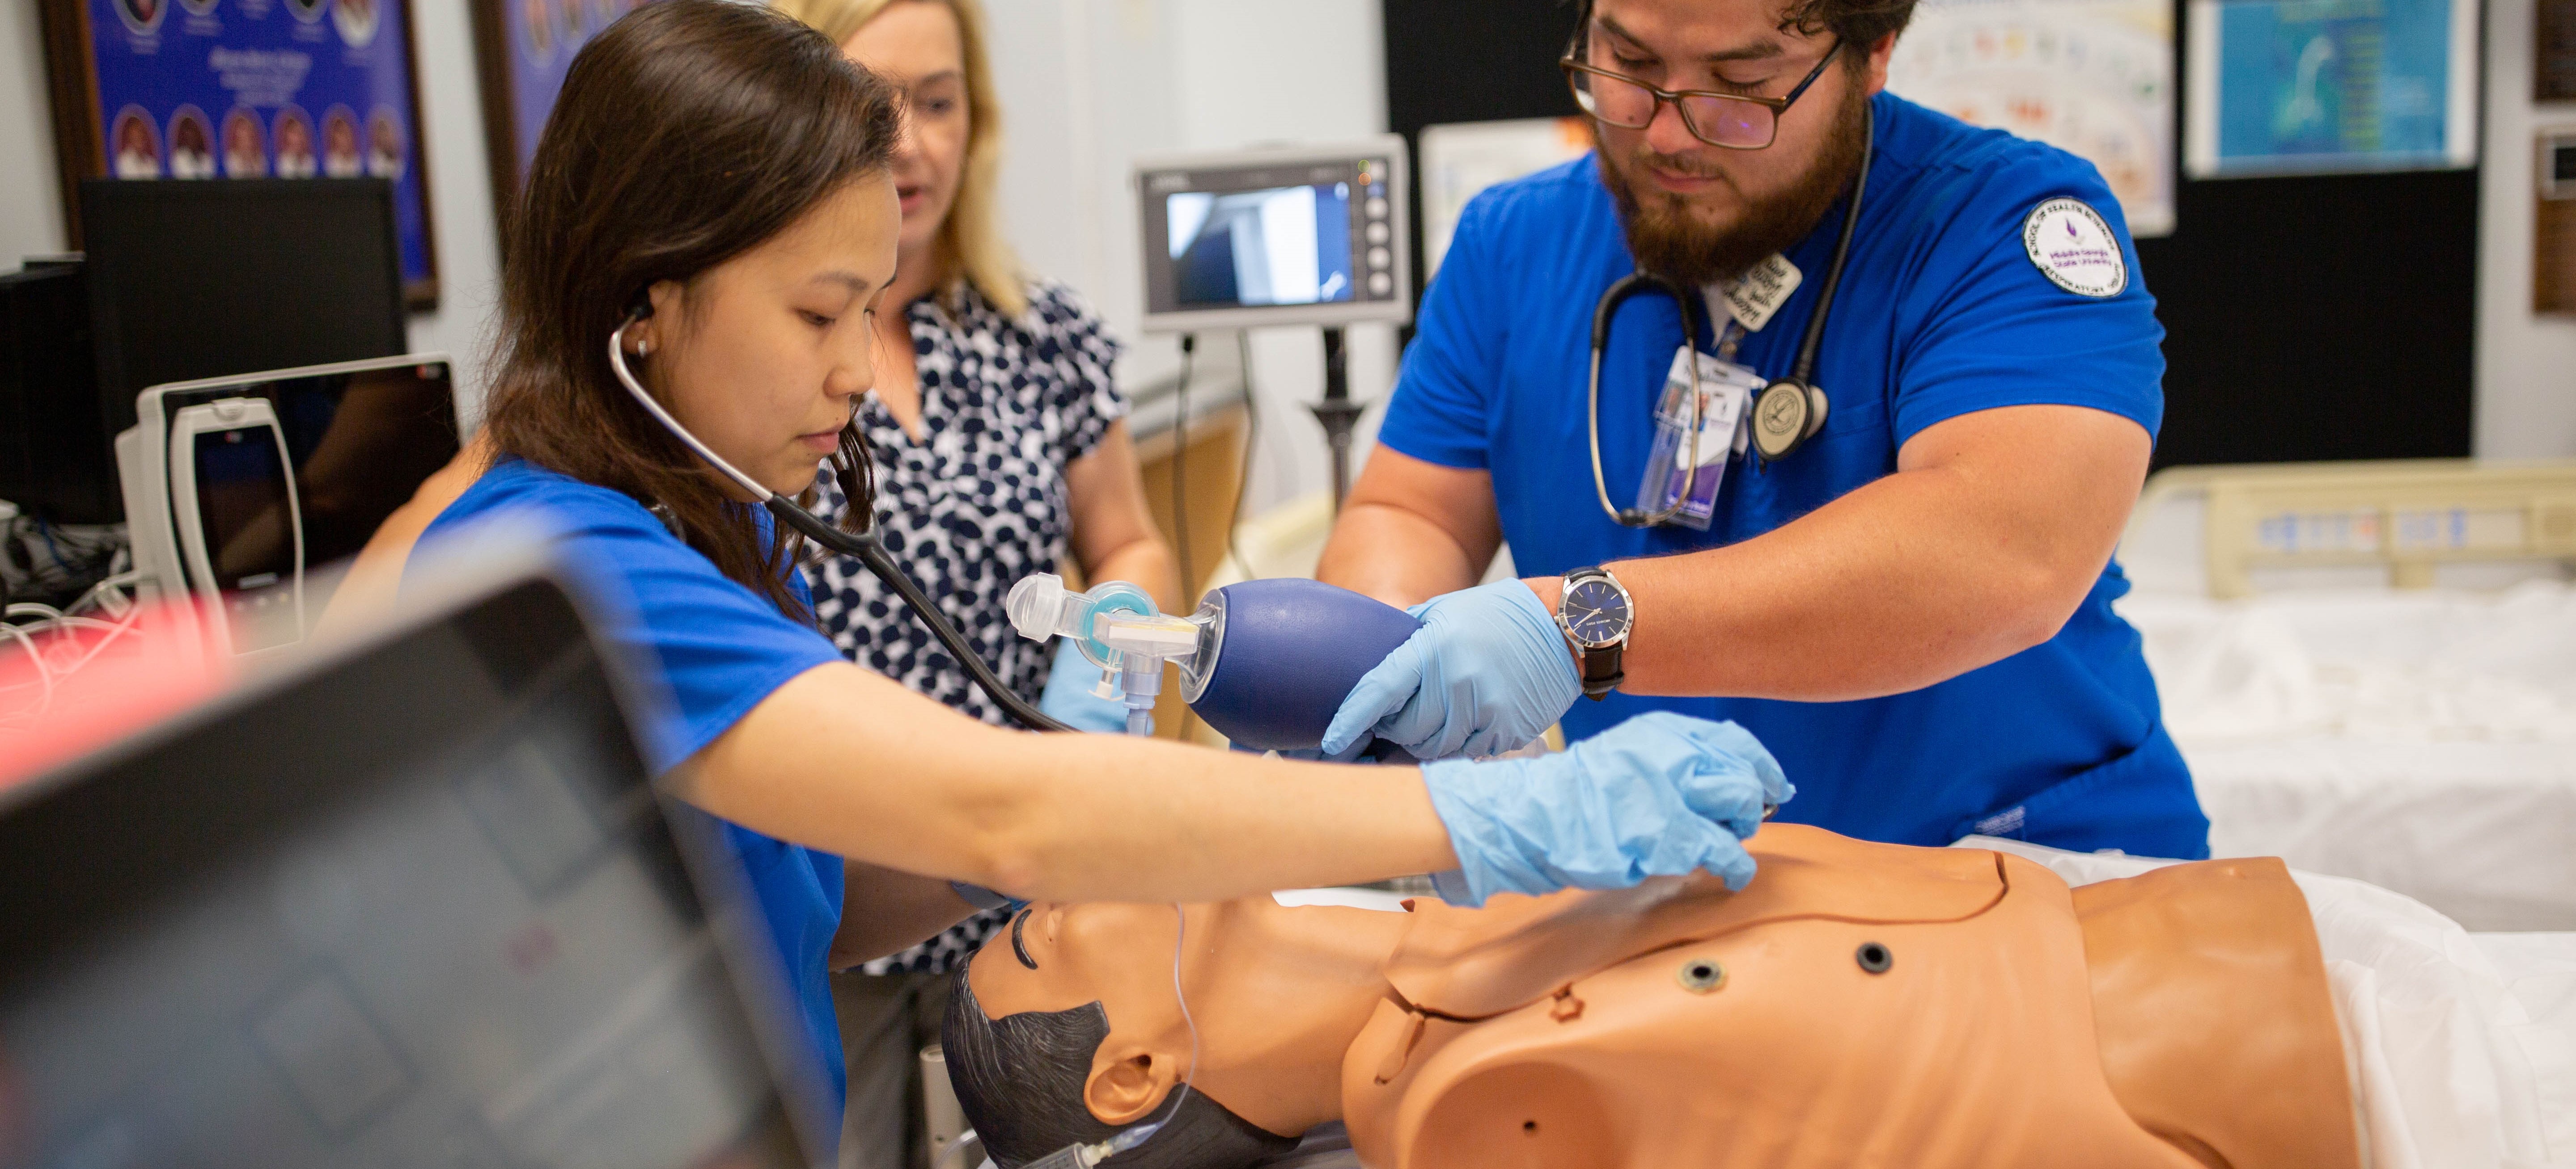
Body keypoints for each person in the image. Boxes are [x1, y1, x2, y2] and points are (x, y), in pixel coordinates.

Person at [398, 3, 1790, 1161]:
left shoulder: (726, 524)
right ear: (643, 301)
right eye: (820, 313)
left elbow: (829, 898)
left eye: (869, 309)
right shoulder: (572, 569)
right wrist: (1478, 809)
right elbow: (997, 813)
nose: (849, 371)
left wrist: (1067, 793)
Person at [1312, 0, 2204, 859]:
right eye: (1629, 64)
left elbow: (2001, 552)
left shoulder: (2004, 226)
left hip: (2010, 865)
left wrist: (1576, 627)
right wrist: (1391, 666)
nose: (1665, 133)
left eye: (1739, 85)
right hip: (1671, 883)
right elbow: (1413, 514)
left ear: (1875, 50)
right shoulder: (1512, 244)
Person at [944, 827, 2569, 1169]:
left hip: (2297, 965)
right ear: (1131, 1068)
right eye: (1039, 936)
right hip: (2329, 1080)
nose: (1062, 896)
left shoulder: (1446, 941)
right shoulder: (1456, 1104)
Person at [769, 0, 1180, 1164]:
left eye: (940, 104)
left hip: (1032, 910)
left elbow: (1129, 546)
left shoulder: (1033, 328)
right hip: (830, 916)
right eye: (872, 104)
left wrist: (1107, 652)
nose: (911, 142)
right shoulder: (755, 358)